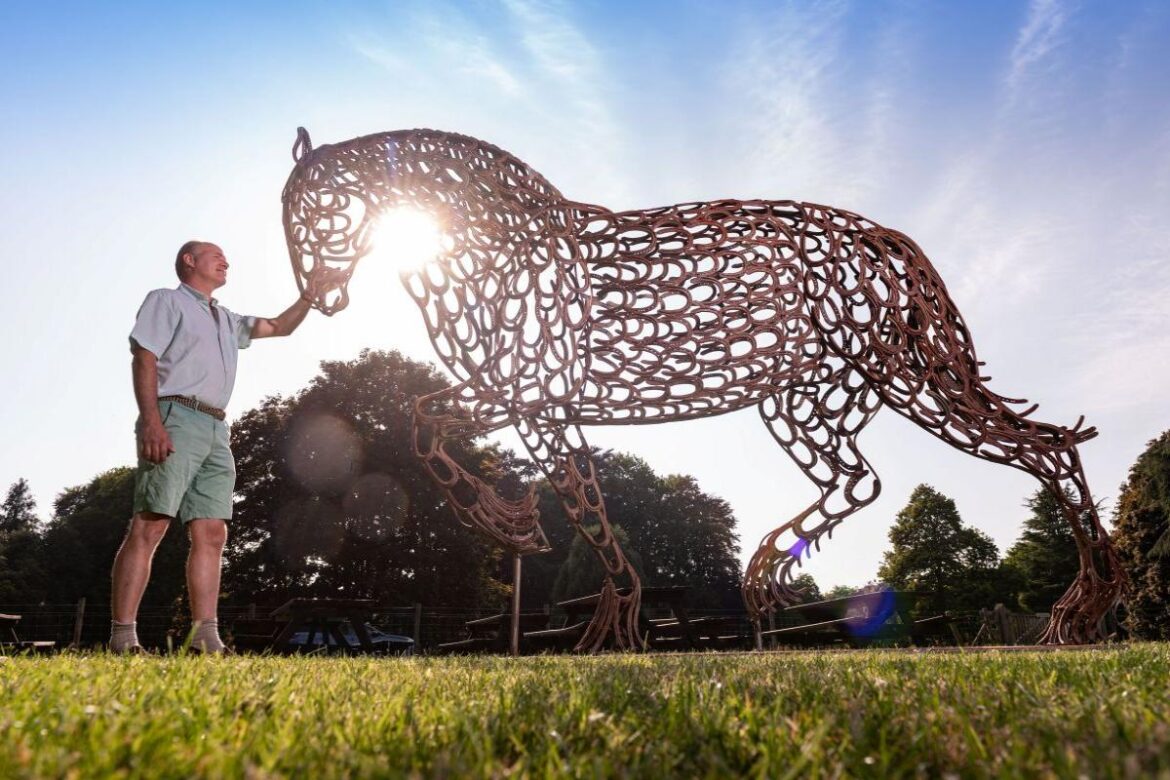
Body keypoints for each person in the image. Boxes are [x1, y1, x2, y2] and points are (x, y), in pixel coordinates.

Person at [110, 240, 341, 653]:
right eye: (215, 255)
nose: (225, 261)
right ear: (189, 260)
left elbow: (278, 326)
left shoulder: (225, 319)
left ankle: (205, 636)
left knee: (213, 533)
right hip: (174, 416)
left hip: (217, 428)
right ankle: (123, 636)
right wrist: (151, 420)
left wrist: (310, 294)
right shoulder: (166, 301)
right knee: (151, 524)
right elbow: (143, 357)